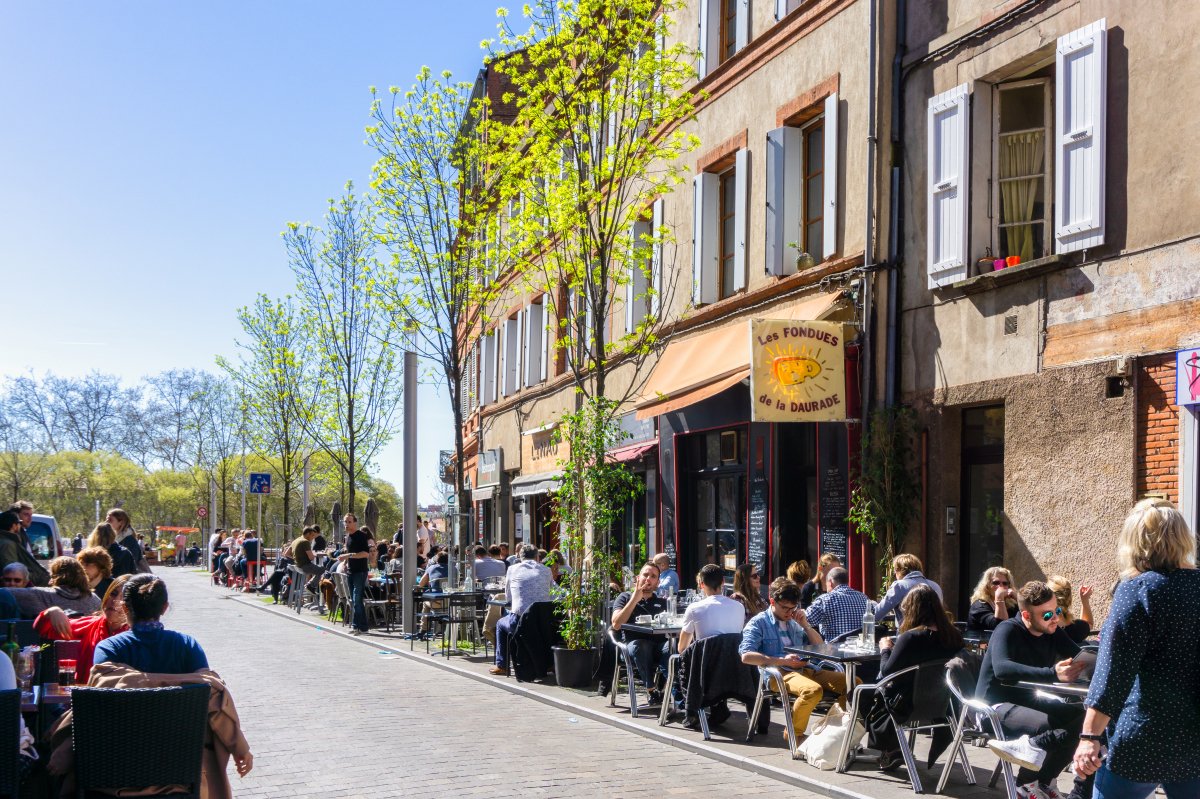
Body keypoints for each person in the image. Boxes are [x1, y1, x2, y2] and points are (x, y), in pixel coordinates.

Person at [1072, 498, 1200, 799]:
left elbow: (1112, 672)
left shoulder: (1138, 589)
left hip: (1144, 738)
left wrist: (1089, 736)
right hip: (1194, 739)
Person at [977, 581, 1089, 799]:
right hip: (992, 706)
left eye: (1057, 611)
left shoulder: (1052, 630)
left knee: (1083, 720)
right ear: (1027, 616)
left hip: (1029, 700)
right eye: (1047, 615)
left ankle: (1045, 781)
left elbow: (1077, 655)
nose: (1055, 618)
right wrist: (1053, 673)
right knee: (1048, 725)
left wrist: (1092, 665)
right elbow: (1002, 669)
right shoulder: (1007, 629)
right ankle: (1025, 785)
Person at [740, 578, 848, 745]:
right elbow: (746, 656)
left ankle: (835, 731)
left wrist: (805, 625)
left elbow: (821, 648)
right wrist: (782, 660)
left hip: (806, 669)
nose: (789, 612)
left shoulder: (795, 623)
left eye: (793, 607)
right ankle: (794, 735)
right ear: (772, 602)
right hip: (777, 673)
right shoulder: (759, 622)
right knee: (813, 690)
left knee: (853, 683)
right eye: (785, 607)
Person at [870, 585, 965, 771]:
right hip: (943, 704)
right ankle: (892, 749)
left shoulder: (911, 638)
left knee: (859, 696)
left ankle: (890, 748)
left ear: (912, 610)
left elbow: (886, 671)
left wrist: (885, 649)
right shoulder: (955, 636)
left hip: (906, 705)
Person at [94, 574, 209, 673]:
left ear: (124, 608)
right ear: (164, 608)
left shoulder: (110, 648)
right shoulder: (187, 645)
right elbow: (206, 690)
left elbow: (102, 693)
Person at [34, 574, 132, 684]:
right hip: (85, 695)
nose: (115, 601)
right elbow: (43, 630)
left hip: (123, 698)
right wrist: (51, 612)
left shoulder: (138, 634)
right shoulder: (90, 624)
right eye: (113, 594)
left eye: (124, 598)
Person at [609, 561, 671, 703]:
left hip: (659, 646)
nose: (648, 578)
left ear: (657, 582)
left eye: (653, 576)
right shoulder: (624, 597)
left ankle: (667, 690)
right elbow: (616, 624)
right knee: (641, 645)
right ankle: (651, 690)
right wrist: (634, 600)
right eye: (645, 574)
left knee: (674, 647)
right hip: (632, 647)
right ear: (638, 577)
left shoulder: (663, 602)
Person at [491, 544, 553, 675]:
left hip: (520, 621)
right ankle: (548, 664)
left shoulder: (512, 569)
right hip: (543, 622)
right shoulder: (546, 570)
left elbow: (508, 597)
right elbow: (550, 595)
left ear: (519, 556)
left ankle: (502, 665)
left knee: (500, 624)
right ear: (537, 557)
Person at [7, 556, 101, 618]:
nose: (49, 581)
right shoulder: (94, 599)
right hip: (84, 645)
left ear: (56, 577)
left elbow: (4, 593)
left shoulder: (39, 594)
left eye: (51, 576)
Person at [804, 566, 876, 641]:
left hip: (832, 651)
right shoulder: (865, 598)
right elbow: (874, 622)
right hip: (860, 649)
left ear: (830, 582)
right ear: (848, 582)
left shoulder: (825, 599)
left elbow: (807, 620)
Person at [873, 554, 944, 626]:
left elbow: (876, 615)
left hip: (908, 634)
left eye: (895, 572)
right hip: (935, 634)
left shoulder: (899, 586)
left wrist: (872, 605)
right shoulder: (935, 586)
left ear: (899, 570)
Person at [336, 514, 371, 634]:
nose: (347, 524)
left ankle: (357, 626)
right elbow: (348, 551)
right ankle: (363, 627)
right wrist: (345, 562)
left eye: (349, 522)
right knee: (353, 599)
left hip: (360, 571)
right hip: (350, 571)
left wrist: (349, 556)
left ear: (355, 523)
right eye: (345, 522)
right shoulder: (348, 536)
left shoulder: (361, 535)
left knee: (357, 599)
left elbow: (366, 554)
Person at [0, 509, 48, 586]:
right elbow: (12, 573)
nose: (20, 526)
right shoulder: (7, 544)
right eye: (19, 523)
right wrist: (39, 575)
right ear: (14, 525)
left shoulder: (8, 542)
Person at [968, 566, 1019, 631]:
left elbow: (1028, 618)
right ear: (987, 586)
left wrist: (1018, 599)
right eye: (996, 583)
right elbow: (1000, 627)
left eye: (1005, 583)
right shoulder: (979, 605)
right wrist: (999, 598)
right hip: (983, 640)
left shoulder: (1010, 605)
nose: (1001, 586)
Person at [1046, 575, 1093, 644]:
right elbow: (1089, 624)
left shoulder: (1042, 629)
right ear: (1069, 599)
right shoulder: (1077, 628)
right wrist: (1084, 600)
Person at [106, 508, 150, 574]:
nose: (106, 521)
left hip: (126, 580)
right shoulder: (111, 538)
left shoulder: (129, 540)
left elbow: (131, 564)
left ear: (121, 522)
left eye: (110, 520)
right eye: (106, 519)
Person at [290, 526, 323, 599]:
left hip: (298, 566)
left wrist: (297, 558)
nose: (312, 538)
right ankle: (311, 586)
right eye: (312, 536)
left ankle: (309, 585)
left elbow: (287, 553)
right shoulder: (305, 542)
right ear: (308, 534)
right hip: (305, 565)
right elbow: (311, 557)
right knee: (323, 571)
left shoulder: (296, 540)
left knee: (319, 570)